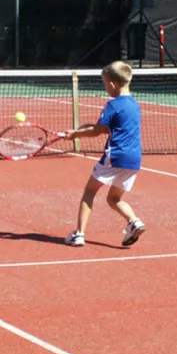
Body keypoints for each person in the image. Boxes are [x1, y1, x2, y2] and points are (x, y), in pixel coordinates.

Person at [62, 61, 146, 248]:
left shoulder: (113, 104)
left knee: (90, 191)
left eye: (105, 84)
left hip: (115, 156)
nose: (106, 87)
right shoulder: (134, 104)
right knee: (113, 198)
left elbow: (97, 131)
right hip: (134, 159)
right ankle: (134, 221)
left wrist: (75, 134)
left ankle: (79, 234)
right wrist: (82, 128)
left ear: (113, 85)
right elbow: (109, 128)